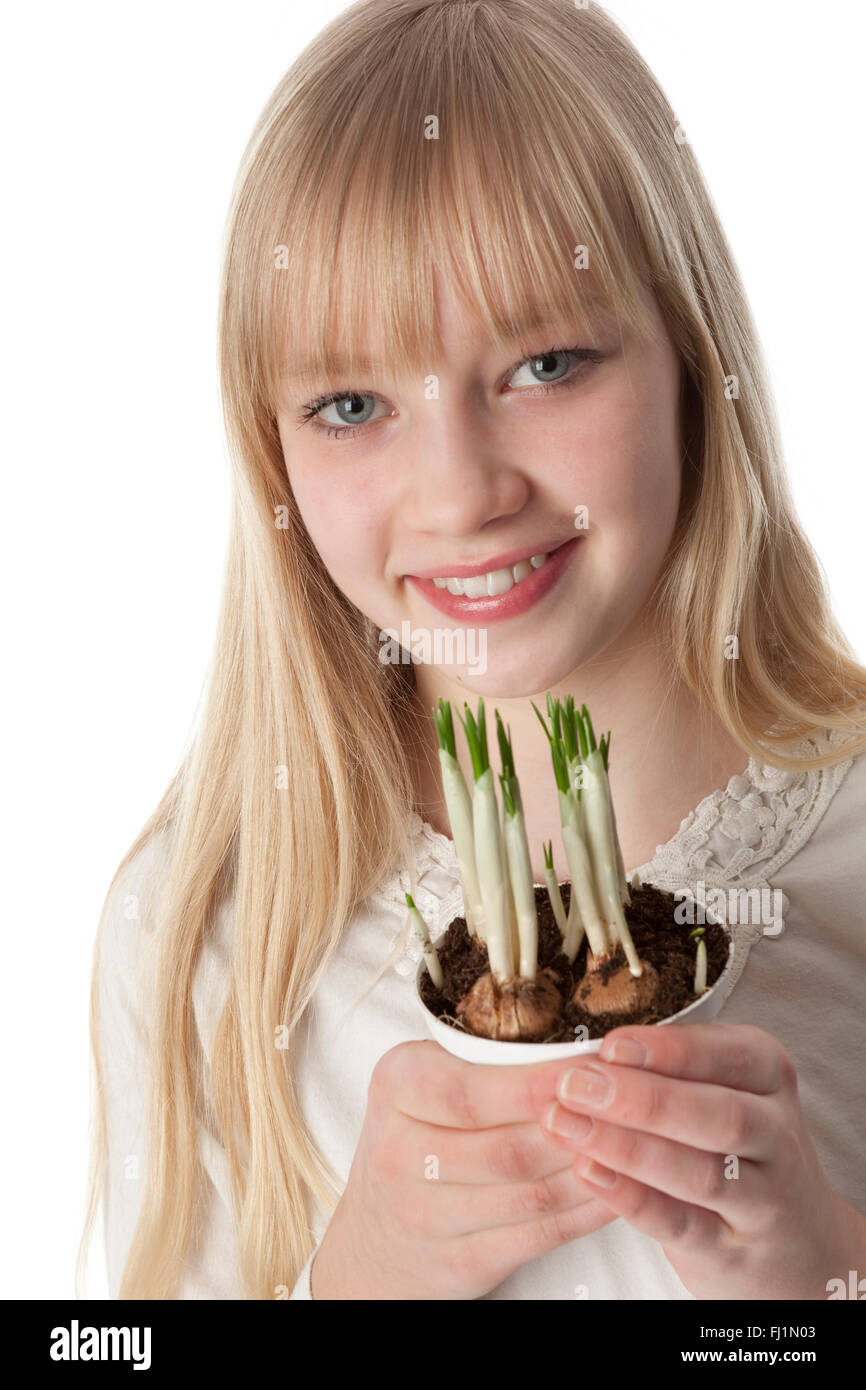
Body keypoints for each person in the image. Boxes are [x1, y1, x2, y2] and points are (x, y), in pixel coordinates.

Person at [79, 0, 866, 1300]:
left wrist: (824, 1269)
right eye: (350, 404)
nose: (457, 493)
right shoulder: (206, 923)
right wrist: (360, 1284)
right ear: (268, 445)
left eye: (546, 363)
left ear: (688, 355)